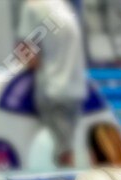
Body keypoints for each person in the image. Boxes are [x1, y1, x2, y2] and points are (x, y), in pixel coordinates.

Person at [16, 0, 88, 167]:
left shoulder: (32, 7)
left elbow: (28, 56)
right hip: (75, 89)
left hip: (53, 90)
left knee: (61, 156)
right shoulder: (62, 6)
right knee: (67, 150)